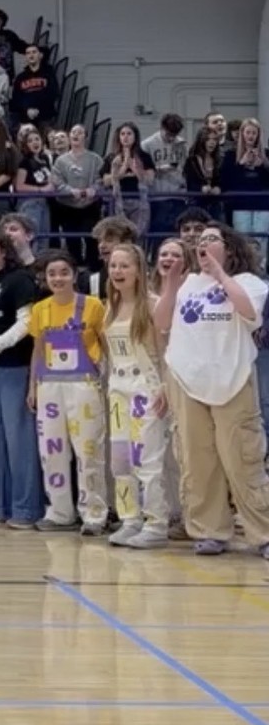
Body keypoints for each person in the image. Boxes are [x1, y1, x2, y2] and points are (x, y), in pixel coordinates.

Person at [156, 222, 269, 557]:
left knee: (243, 459)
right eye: (199, 240)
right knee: (197, 460)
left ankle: (262, 532)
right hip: (187, 380)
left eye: (211, 240)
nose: (201, 244)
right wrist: (170, 283)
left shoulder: (250, 282)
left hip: (232, 380)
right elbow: (162, 323)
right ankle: (210, 530)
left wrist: (219, 273)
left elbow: (249, 312)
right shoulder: (187, 283)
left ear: (229, 248)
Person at [27, 250, 108, 534]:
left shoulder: (93, 306)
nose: (58, 278)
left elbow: (105, 345)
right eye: (52, 274)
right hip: (49, 386)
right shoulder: (40, 310)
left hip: (84, 385)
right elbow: (37, 350)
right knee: (52, 451)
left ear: (74, 275)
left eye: (63, 272)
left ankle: (95, 514)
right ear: (45, 278)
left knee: (89, 450)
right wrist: (33, 386)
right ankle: (60, 512)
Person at [104, 243, 173, 549]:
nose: (117, 271)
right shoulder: (110, 306)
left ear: (139, 271)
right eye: (113, 266)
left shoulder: (154, 304)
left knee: (147, 457)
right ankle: (130, 518)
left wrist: (166, 388)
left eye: (124, 266)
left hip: (146, 388)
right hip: (117, 389)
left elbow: (164, 353)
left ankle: (156, 523)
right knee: (120, 461)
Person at [0, 227, 44, 529]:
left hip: (16, 367)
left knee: (20, 442)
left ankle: (26, 508)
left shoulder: (20, 280)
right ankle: (0, 504)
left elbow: (26, 323)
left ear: (4, 250)